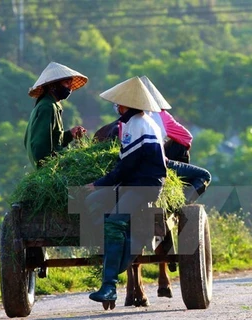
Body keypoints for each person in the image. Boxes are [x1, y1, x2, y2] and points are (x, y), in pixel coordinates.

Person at [85, 76, 166, 306]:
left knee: (114, 222)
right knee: (93, 202)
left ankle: (109, 284)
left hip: (144, 186)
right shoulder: (134, 123)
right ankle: (121, 246)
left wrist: (99, 183)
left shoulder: (140, 125)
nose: (116, 107)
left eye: (119, 104)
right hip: (131, 184)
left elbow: (125, 167)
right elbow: (126, 166)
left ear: (129, 105)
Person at [24, 62, 88, 168]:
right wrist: (49, 167)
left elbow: (53, 140)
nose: (70, 88)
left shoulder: (51, 105)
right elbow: (40, 144)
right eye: (66, 83)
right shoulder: (47, 107)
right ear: (53, 85)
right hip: (49, 168)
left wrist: (70, 134)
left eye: (70, 84)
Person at [140, 75, 193, 163]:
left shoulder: (127, 117)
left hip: (138, 156)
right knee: (203, 174)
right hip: (154, 157)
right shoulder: (161, 115)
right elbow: (186, 137)